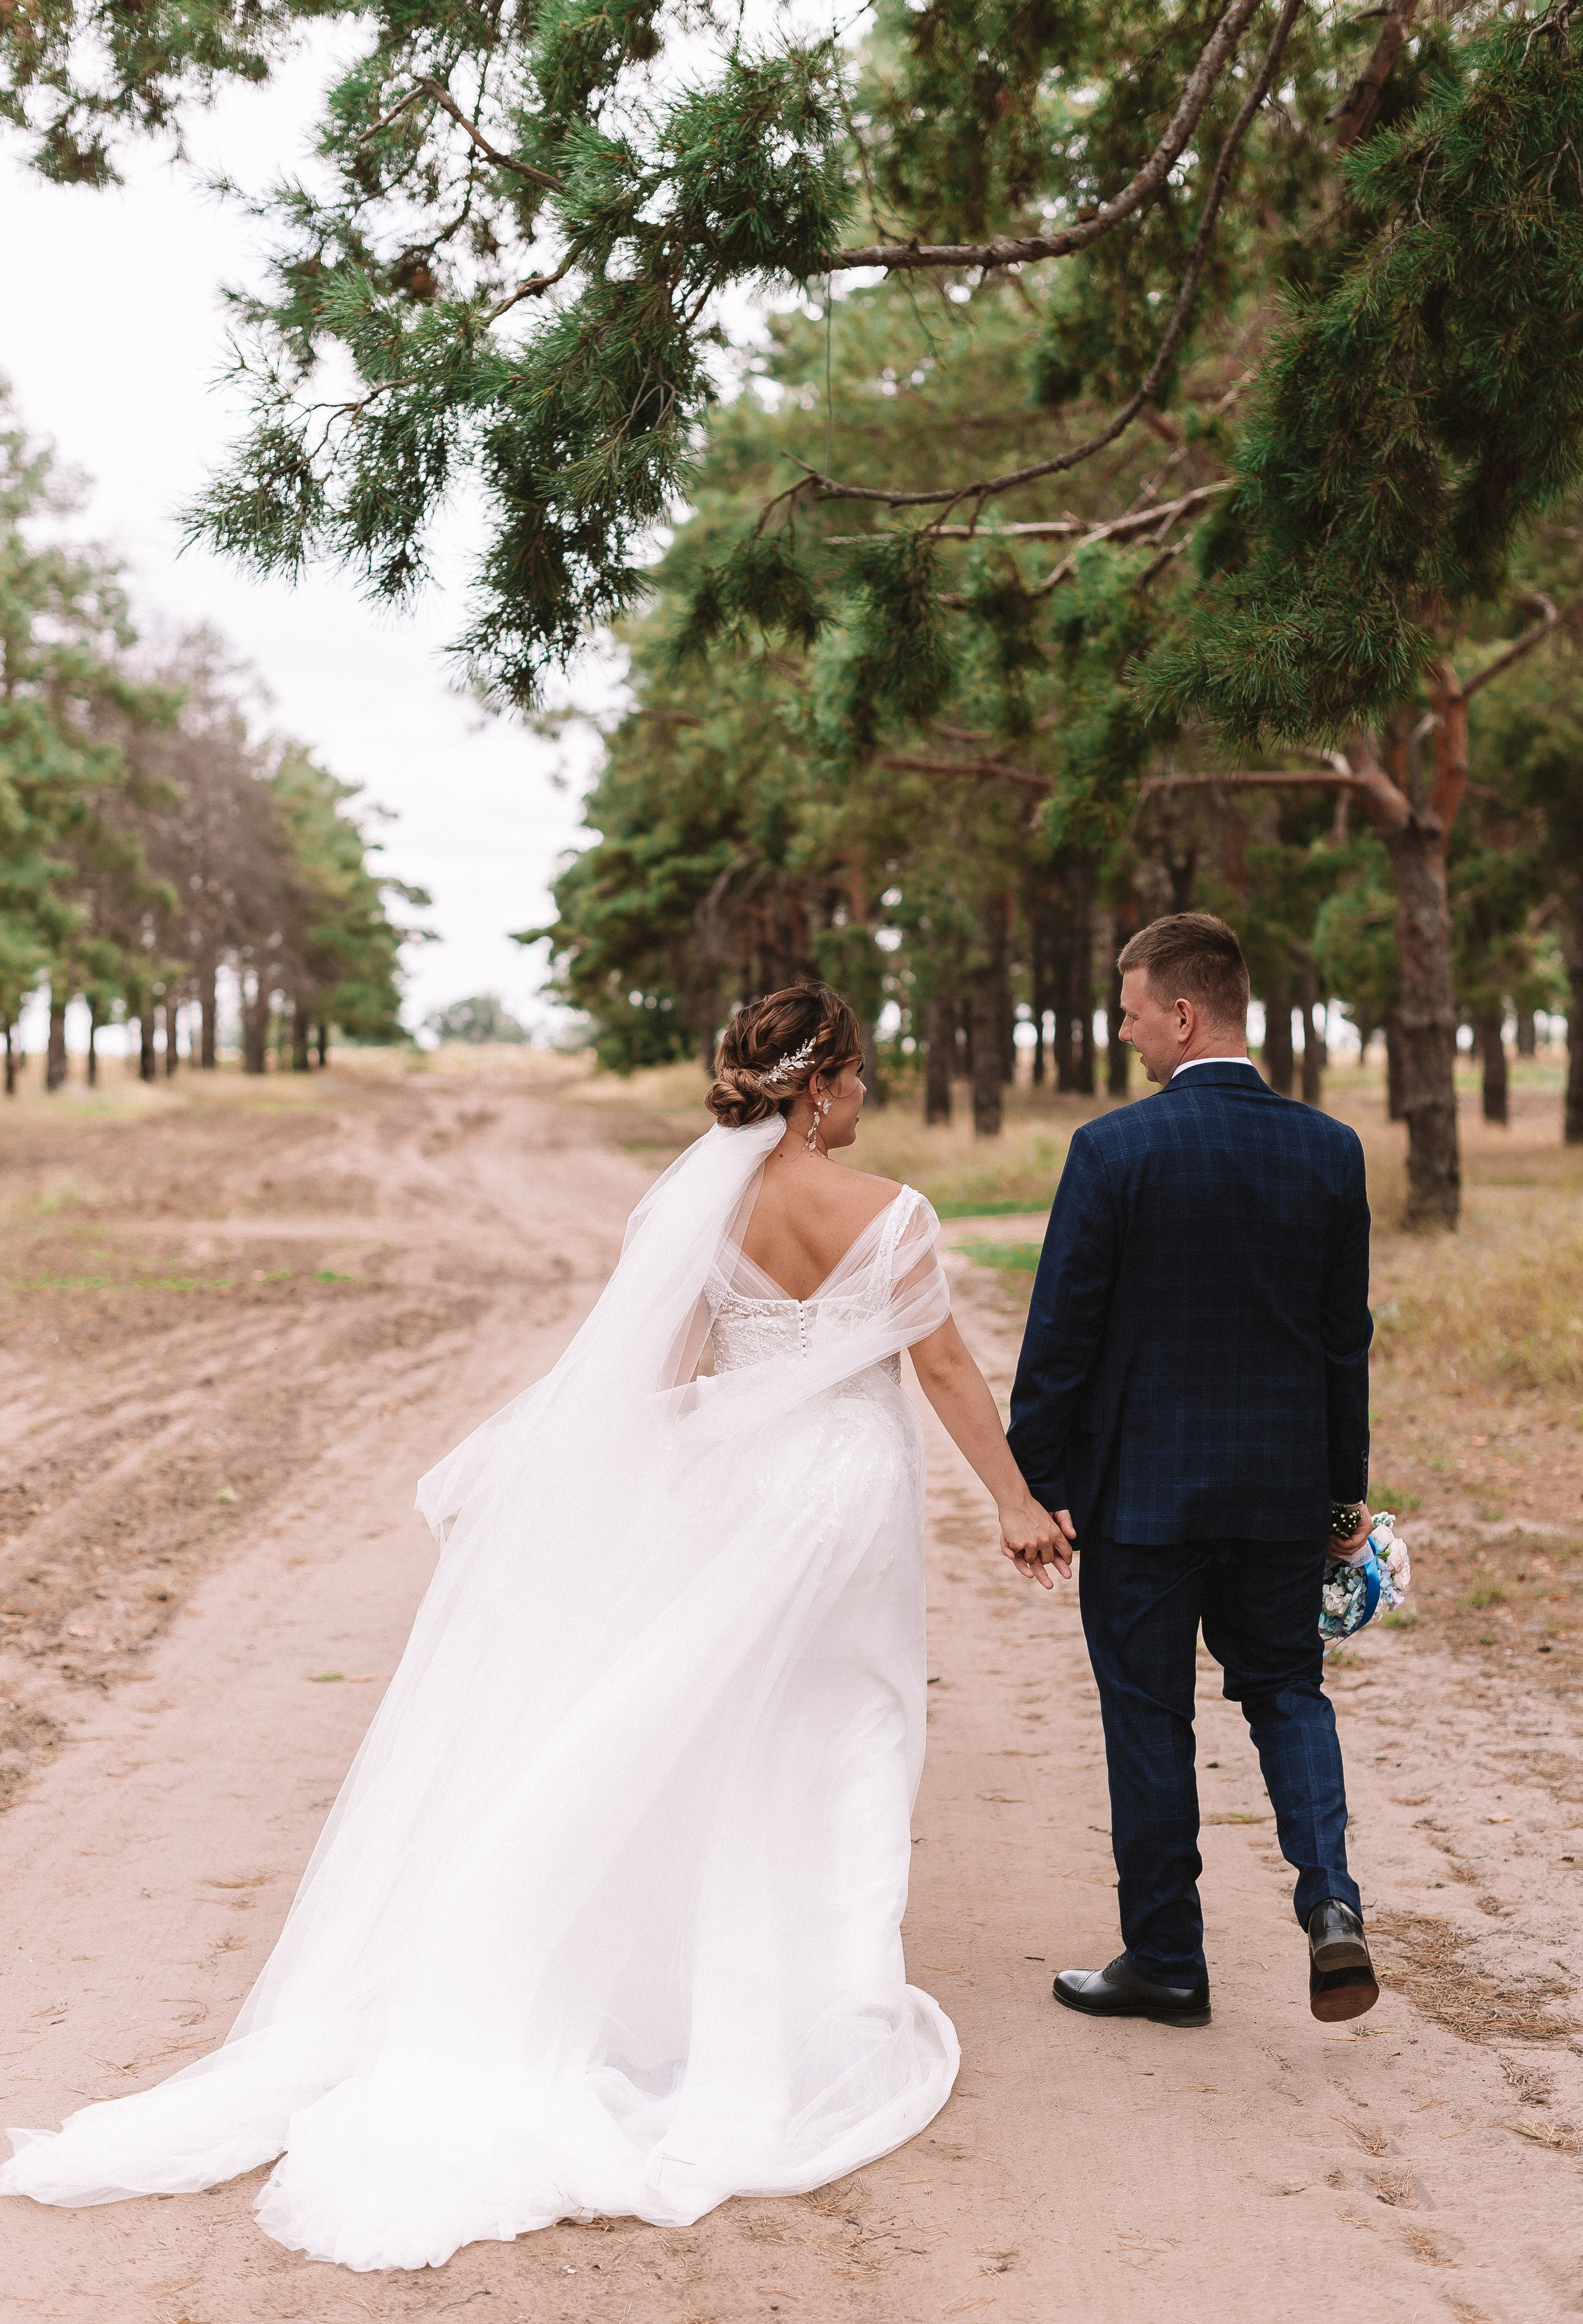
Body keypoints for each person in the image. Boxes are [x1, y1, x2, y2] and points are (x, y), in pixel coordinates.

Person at [0, 981, 1065, 2272]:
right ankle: (826, 2002)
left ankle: (737, 1990)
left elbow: (660, 1378)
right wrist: (1012, 1501)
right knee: (850, 1726)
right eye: (856, 1076)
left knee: (731, 1736)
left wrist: (593, 1514)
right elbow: (942, 1368)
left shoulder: (704, 1211)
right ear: (820, 1080)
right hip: (844, 1496)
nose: (863, 1096)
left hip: (743, 1497)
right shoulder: (887, 1213)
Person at [1007, 913, 1378, 2028]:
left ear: (1183, 1012)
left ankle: (1168, 1961)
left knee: (1148, 1718)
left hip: (1144, 1501)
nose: (1122, 1035)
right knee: (1288, 1692)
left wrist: (1038, 1480)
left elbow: (1062, 1333)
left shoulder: (1113, 1151)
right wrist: (1341, 1501)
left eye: (1129, 1013)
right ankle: (1333, 1906)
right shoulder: (1330, 1150)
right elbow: (1341, 1342)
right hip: (1278, 1493)